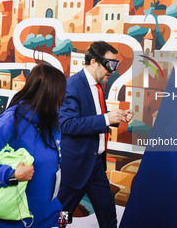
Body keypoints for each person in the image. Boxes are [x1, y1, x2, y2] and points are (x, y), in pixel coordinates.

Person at [0, 62, 66, 227]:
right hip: (12, 221)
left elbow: (53, 172)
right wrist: (12, 175)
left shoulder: (52, 122)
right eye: (59, 96)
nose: (61, 101)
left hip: (47, 218)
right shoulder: (10, 120)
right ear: (46, 94)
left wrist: (59, 213)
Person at [58, 41, 133, 228]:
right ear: (94, 62)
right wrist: (106, 119)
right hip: (76, 168)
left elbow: (94, 120)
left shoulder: (99, 86)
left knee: (108, 215)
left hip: (97, 166)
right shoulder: (72, 86)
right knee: (63, 216)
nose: (112, 70)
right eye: (110, 64)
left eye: (115, 65)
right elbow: (67, 124)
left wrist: (116, 118)